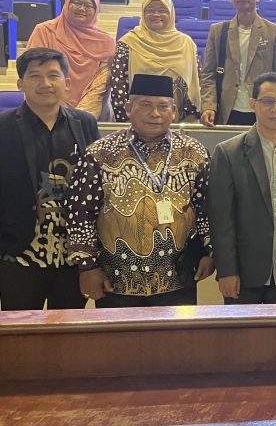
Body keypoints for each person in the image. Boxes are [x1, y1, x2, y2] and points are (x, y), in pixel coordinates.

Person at [67, 74, 215, 307]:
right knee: (119, 332)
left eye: (163, 106)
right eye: (145, 105)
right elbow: (80, 212)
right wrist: (87, 266)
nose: (154, 113)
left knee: (177, 332)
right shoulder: (99, 153)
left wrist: (209, 252)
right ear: (128, 108)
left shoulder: (194, 153)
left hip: (178, 277)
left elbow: (207, 208)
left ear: (174, 111)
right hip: (115, 279)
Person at [0, 48, 100, 310]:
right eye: (35, 76)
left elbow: (98, 183)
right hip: (19, 253)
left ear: (66, 82)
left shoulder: (85, 123)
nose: (45, 83)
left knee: (67, 328)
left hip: (73, 255)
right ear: (20, 83)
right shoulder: (3, 126)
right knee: (21, 329)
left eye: (53, 75)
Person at [209, 72, 276, 304]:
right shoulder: (228, 152)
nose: (275, 109)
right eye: (267, 101)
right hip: (244, 273)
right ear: (253, 104)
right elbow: (221, 219)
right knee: (242, 330)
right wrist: (227, 271)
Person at [200, 0, 276, 126]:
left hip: (263, 109)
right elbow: (208, 74)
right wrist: (208, 106)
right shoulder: (218, 31)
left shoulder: (275, 31)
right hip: (227, 110)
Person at [110, 0, 202, 123]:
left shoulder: (186, 43)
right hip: (138, 121)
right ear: (143, 14)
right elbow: (118, 85)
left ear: (171, 14)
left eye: (162, 11)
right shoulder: (128, 43)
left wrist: (189, 117)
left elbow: (196, 80)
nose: (156, 15)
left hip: (179, 119)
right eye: (150, 10)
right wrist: (126, 119)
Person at [26, 0, 115, 119]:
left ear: (96, 10)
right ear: (66, 4)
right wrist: (57, 110)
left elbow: (101, 83)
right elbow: (34, 71)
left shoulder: (106, 41)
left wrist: (80, 116)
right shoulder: (44, 31)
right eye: (77, 3)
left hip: (91, 114)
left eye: (88, 5)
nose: (81, 8)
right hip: (47, 107)